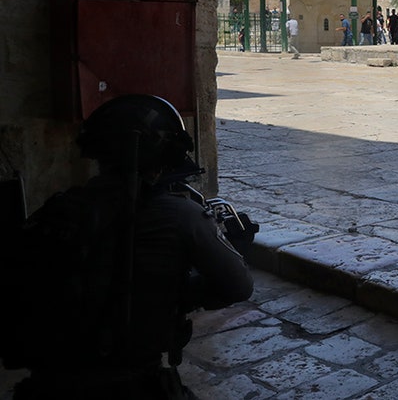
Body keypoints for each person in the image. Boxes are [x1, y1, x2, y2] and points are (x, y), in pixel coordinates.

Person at [9, 95, 254, 399]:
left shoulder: (60, 210)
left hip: (45, 383)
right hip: (130, 382)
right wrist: (179, 293)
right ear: (165, 156)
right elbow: (238, 286)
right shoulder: (181, 214)